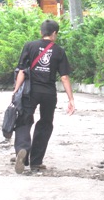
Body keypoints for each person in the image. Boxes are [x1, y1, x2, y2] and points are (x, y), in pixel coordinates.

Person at [13, 19, 75, 174]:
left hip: (30, 92)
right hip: (48, 93)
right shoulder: (59, 50)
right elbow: (64, 77)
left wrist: (15, 91)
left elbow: (21, 70)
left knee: (23, 121)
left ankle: (22, 150)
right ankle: (36, 162)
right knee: (45, 124)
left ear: (41, 32)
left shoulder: (30, 46)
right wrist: (71, 99)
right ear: (54, 33)